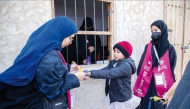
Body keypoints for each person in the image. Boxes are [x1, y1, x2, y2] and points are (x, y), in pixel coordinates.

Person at [0, 16, 86, 109]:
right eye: (70, 38)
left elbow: (39, 67)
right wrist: (75, 78)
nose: (70, 42)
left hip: (19, 97)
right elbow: (52, 92)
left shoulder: (40, 47)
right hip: (33, 103)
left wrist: (68, 67)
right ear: (61, 33)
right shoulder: (50, 56)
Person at [133, 20, 177, 109]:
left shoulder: (170, 48)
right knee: (146, 103)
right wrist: (141, 77)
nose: (154, 33)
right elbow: (142, 63)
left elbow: (171, 67)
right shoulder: (149, 46)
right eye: (152, 31)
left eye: (156, 30)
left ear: (163, 30)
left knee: (159, 104)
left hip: (162, 81)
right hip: (148, 81)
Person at [86, 41, 141, 109]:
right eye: (114, 51)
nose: (115, 54)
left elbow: (110, 73)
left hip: (121, 97)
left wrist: (90, 73)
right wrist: (89, 72)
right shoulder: (114, 62)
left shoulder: (126, 66)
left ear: (125, 54)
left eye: (118, 52)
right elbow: (105, 70)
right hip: (114, 94)